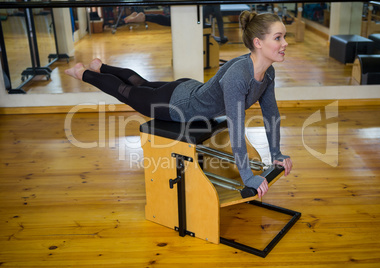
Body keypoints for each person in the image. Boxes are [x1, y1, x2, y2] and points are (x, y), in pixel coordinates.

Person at [65, 11, 292, 198]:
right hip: (180, 106)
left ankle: (101, 66)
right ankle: (84, 73)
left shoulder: (267, 73)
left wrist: (277, 153)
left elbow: (271, 113)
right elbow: (236, 127)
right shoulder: (239, 76)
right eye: (278, 37)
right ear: (258, 42)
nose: (285, 43)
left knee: (141, 84)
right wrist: (247, 176)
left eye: (284, 37)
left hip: (188, 90)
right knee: (127, 92)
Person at [124, 6, 228, 44]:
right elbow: (219, 18)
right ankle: (144, 17)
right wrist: (222, 37)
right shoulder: (215, 4)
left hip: (189, 14)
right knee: (168, 21)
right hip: (193, 20)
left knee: (168, 20)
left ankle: (145, 17)